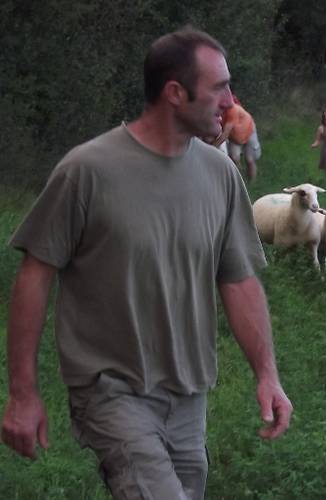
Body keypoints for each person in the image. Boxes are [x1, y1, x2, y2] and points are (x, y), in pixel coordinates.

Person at [1, 28, 293, 499]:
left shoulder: (220, 174)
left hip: (188, 393)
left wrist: (267, 375)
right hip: (111, 389)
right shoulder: (87, 171)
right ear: (175, 93)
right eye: (219, 87)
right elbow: (35, 275)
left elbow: (238, 281)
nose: (230, 101)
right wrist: (22, 393)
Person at [221, 95, 259, 181]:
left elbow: (225, 133)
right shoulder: (217, 111)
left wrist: (212, 146)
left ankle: (251, 182)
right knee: (234, 159)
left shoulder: (232, 109)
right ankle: (240, 181)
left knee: (250, 160)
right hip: (234, 137)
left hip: (249, 131)